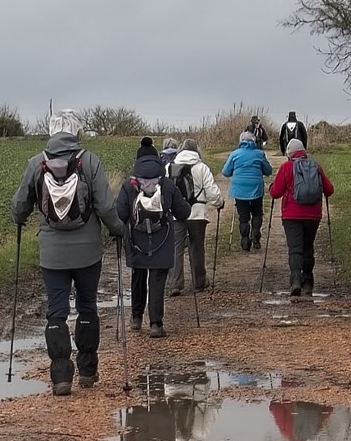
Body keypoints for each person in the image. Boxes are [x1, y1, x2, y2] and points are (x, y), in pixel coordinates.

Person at [9, 119, 116, 394]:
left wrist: (19, 217)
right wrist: (119, 229)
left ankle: (60, 377)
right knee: (87, 306)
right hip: (88, 252)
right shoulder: (90, 161)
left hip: (52, 254)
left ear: (51, 132)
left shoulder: (36, 163)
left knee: (56, 311)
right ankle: (88, 371)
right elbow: (105, 205)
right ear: (77, 132)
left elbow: (20, 205)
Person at [116, 133, 182, 337]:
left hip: (136, 241)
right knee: (157, 280)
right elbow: (183, 212)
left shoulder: (129, 185)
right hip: (162, 240)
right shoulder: (167, 184)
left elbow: (120, 213)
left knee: (138, 276)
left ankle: (136, 319)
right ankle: (156, 324)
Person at [274, 128, 331, 300]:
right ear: (304, 152)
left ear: (289, 153)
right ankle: (308, 282)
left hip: (291, 215)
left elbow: (276, 192)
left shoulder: (286, 167)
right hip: (313, 215)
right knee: (308, 249)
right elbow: (329, 189)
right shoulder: (316, 166)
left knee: (295, 249)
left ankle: (295, 281)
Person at [166, 139, 219, 293]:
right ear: (196, 150)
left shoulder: (169, 167)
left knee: (176, 248)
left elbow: (162, 189)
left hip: (176, 215)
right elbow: (211, 190)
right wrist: (219, 203)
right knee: (197, 247)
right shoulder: (201, 167)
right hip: (197, 213)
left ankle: (175, 283)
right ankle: (199, 282)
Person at [223, 124, 270, 253]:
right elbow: (268, 170)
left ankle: (245, 241)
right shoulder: (259, 154)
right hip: (256, 188)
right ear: (254, 141)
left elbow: (226, 172)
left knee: (243, 216)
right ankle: (255, 233)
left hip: (240, 190)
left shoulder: (235, 154)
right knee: (257, 213)